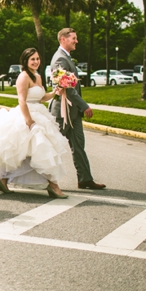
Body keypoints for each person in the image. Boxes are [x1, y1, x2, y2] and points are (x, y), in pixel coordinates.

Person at [0, 48, 70, 197]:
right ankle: (53, 186)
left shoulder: (37, 76)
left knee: (25, 152)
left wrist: (55, 92)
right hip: (27, 115)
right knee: (40, 148)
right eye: (33, 59)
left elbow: (41, 97)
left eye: (38, 59)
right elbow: (22, 100)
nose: (36, 62)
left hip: (40, 113)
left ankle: (3, 180)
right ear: (25, 61)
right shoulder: (23, 77)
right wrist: (29, 121)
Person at [49, 28, 106, 190]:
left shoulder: (66, 57)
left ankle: (85, 179)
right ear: (63, 39)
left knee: (79, 145)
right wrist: (84, 105)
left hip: (73, 113)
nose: (76, 41)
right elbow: (66, 88)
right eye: (73, 38)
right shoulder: (59, 59)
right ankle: (39, 178)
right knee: (52, 146)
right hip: (62, 111)